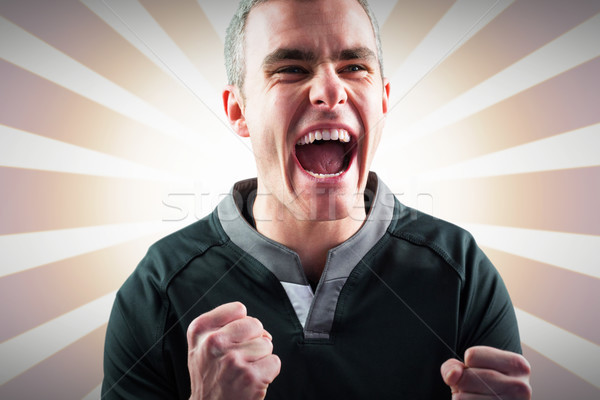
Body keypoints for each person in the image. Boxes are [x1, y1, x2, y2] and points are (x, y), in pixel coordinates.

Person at [102, 0, 532, 399]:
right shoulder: (158, 291)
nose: (330, 90)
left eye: (354, 66)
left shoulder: (462, 275)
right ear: (238, 111)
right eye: (290, 68)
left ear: (383, 100)